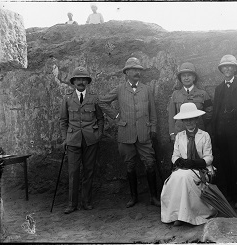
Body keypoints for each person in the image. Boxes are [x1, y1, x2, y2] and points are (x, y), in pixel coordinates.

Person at [98, 57, 160, 208]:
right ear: (126, 73)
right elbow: (101, 102)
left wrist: (153, 128)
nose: (137, 72)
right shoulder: (120, 89)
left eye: (139, 70)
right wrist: (117, 116)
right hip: (126, 134)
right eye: (133, 70)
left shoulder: (146, 89)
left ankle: (153, 197)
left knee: (150, 164)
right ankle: (133, 197)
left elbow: (153, 111)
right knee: (130, 166)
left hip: (144, 134)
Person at [161, 103, 217, 226]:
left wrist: (195, 162)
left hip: (200, 169)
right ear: (182, 121)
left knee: (185, 177)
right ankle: (177, 214)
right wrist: (179, 161)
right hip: (183, 169)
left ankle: (187, 216)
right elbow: (174, 155)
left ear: (196, 119)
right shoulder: (180, 136)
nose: (189, 122)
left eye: (192, 119)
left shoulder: (204, 135)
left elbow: (209, 157)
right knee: (175, 178)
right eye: (186, 120)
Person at [59, 66, 104, 214]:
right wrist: (65, 138)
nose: (81, 82)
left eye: (84, 79)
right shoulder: (67, 98)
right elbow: (63, 121)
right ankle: (72, 204)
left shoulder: (94, 98)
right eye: (78, 79)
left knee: (89, 171)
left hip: (90, 140)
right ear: (73, 82)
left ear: (87, 82)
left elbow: (100, 118)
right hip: (73, 140)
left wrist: (98, 135)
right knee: (73, 172)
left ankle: (86, 201)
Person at [212, 54, 237, 209]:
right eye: (224, 66)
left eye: (230, 66)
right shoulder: (218, 88)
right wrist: (216, 133)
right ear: (221, 69)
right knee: (225, 164)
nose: (227, 69)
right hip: (223, 135)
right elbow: (216, 112)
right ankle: (229, 194)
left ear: (235, 69)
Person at [167, 62, 213, 143]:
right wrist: (172, 133)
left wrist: (200, 122)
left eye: (189, 75)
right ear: (180, 78)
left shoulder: (203, 94)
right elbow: (172, 115)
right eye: (183, 76)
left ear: (194, 77)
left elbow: (209, 113)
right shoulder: (175, 94)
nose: (186, 78)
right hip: (180, 132)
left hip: (198, 131)